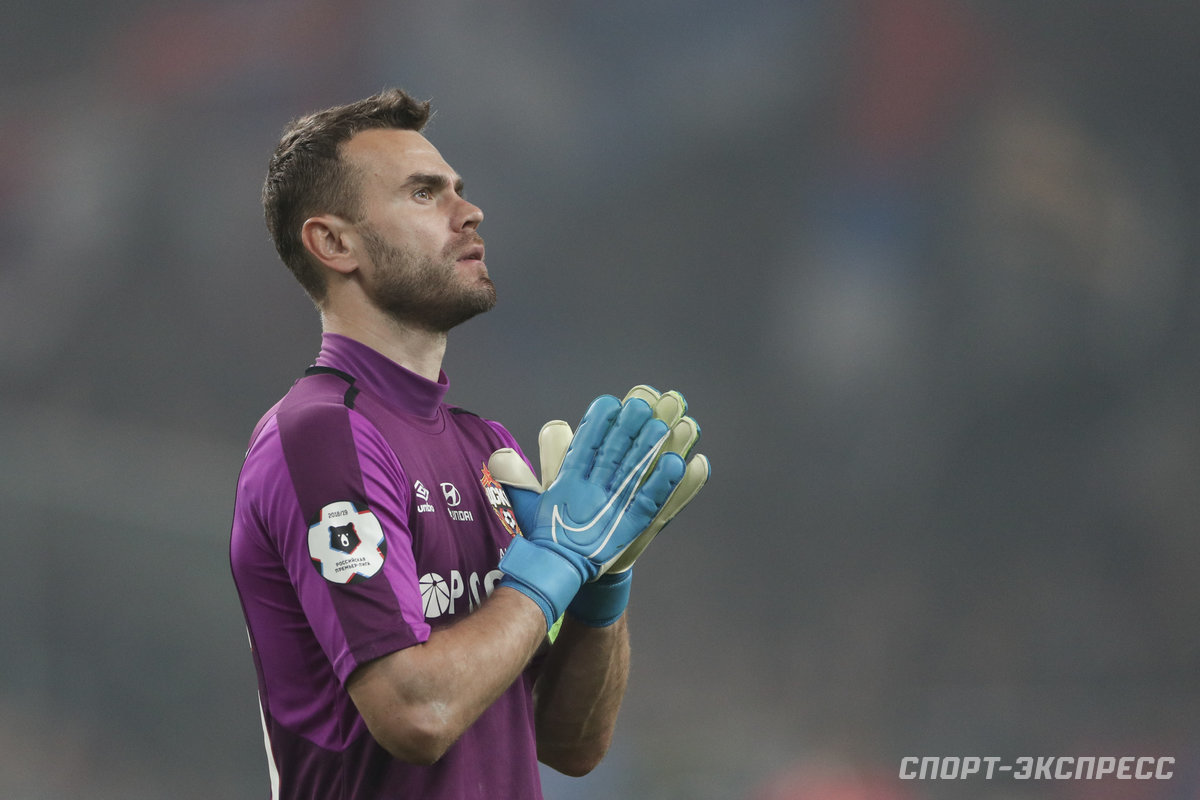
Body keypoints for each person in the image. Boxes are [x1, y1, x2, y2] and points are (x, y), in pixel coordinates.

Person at [229, 88, 707, 799]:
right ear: (334, 243)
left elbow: (570, 743)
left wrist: (598, 583)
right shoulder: (321, 436)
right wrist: (554, 563)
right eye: (424, 193)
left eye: (459, 189)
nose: (469, 211)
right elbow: (416, 713)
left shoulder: (488, 448)